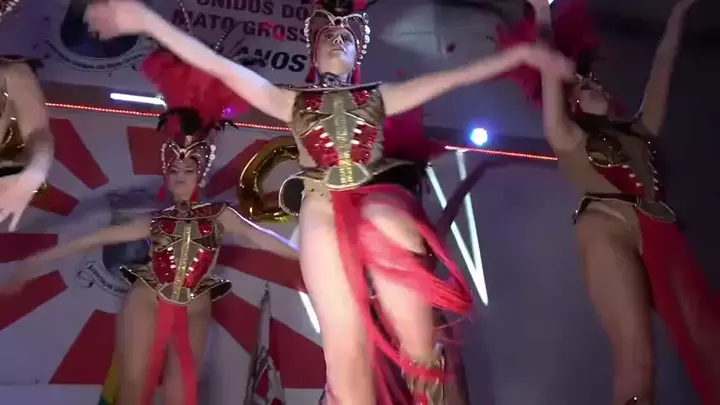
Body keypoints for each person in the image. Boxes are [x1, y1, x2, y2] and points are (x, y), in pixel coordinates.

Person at [83, 1, 574, 404]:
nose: (336, 38)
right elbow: (217, 66)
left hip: (375, 197)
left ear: (359, 47)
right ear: (312, 49)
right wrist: (145, 19)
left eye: (345, 33)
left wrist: (521, 52)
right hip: (320, 204)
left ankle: (427, 375)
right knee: (344, 357)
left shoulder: (379, 96)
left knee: (417, 338)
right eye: (326, 34)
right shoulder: (290, 101)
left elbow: (456, 77)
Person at [1, 50, 300, 405]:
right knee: (134, 385)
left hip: (196, 302)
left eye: (188, 170)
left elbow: (262, 237)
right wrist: (37, 261)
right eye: (174, 170)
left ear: (201, 174)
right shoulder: (156, 220)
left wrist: (313, 259)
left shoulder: (221, 216)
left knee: (181, 392)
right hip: (148, 297)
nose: (180, 176)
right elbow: (94, 238)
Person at [498, 0, 719, 403]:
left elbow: (663, 67)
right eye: (584, 86)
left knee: (710, 342)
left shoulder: (639, 130)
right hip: (607, 225)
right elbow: (550, 74)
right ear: (571, 103)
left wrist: (679, 12)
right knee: (638, 362)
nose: (597, 86)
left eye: (597, 82)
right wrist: (542, 12)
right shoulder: (569, 136)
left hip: (658, 232)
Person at [0, 56, 54, 231]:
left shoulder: (11, 75)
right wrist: (35, 172)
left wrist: (35, 172)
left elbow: (37, 133)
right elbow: (38, 134)